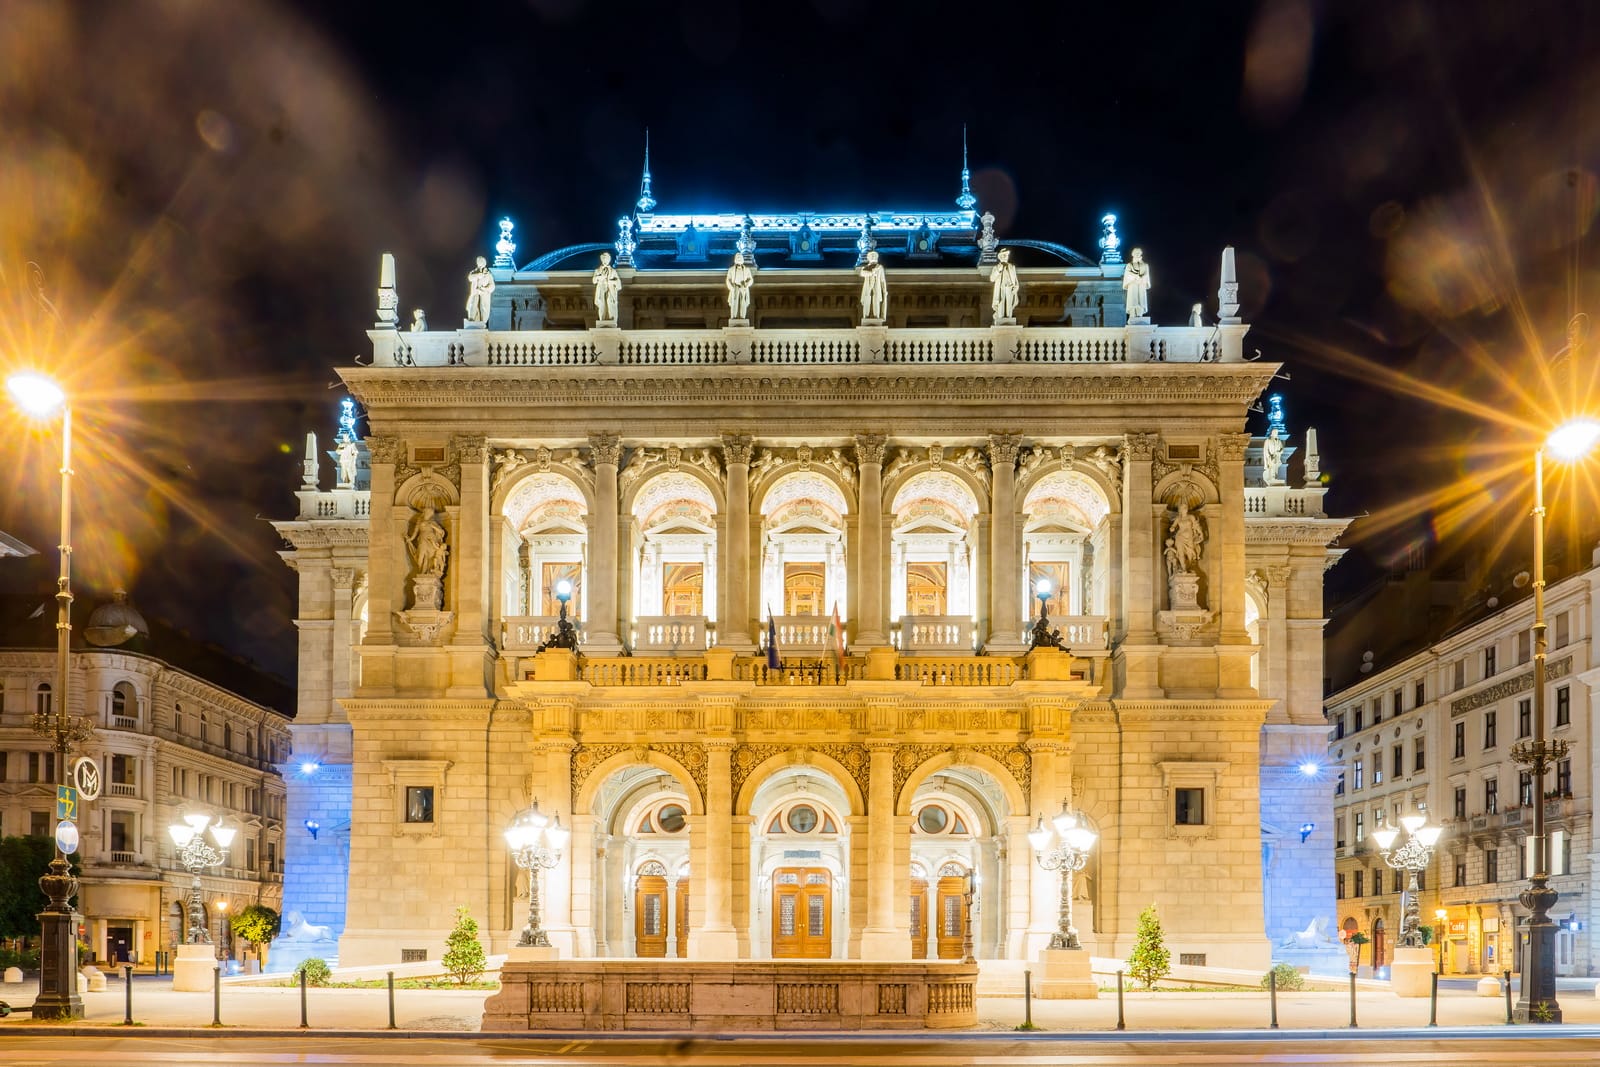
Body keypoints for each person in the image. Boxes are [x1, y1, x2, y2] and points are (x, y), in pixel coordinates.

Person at [407, 505, 448, 577]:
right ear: (425, 513)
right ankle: (421, 571)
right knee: (420, 557)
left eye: (430, 513)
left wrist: (433, 526)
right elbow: (415, 532)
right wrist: (410, 539)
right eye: (428, 513)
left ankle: (428, 572)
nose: (428, 514)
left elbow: (441, 532)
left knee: (431, 557)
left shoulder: (433, 522)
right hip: (422, 539)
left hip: (431, 539)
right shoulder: (419, 521)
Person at [1168, 500, 1204, 576]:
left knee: (1190, 552)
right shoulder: (1178, 518)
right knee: (1180, 552)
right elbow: (1173, 526)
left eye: (1186, 507)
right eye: (1183, 507)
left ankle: (1188, 568)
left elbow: (1196, 525)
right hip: (1180, 537)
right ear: (1180, 510)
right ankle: (1183, 568)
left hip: (1190, 537)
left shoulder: (1191, 517)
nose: (1185, 508)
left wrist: (1201, 533)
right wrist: (1172, 528)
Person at [1122, 246, 1152, 320]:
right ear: (1133, 254)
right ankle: (1133, 314)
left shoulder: (1145, 265)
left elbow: (1146, 275)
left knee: (1141, 300)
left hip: (1141, 284)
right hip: (1132, 284)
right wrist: (1135, 277)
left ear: (1141, 254)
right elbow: (1127, 274)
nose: (1137, 254)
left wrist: (1142, 279)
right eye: (1136, 252)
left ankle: (1140, 314)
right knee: (1133, 300)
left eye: (1139, 252)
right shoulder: (1129, 265)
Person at [991, 247, 1019, 320]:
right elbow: (992, 278)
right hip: (1001, 288)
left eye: (1006, 255)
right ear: (1000, 257)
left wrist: (1016, 287)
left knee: (1009, 304)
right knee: (1001, 303)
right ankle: (1000, 318)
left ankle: (1009, 318)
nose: (1005, 256)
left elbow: (1015, 279)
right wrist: (998, 270)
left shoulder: (1012, 267)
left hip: (1009, 288)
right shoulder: (996, 267)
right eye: (1003, 255)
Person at [593, 251, 622, 322]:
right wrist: (600, 277)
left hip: (610, 290)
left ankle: (611, 319)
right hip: (601, 289)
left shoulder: (613, 271)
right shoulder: (597, 270)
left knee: (610, 303)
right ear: (601, 259)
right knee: (602, 304)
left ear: (609, 260)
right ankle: (602, 319)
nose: (605, 260)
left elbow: (619, 284)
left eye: (606, 259)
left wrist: (611, 281)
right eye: (603, 258)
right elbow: (594, 281)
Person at [859, 249, 887, 321]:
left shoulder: (880, 268)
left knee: (876, 299)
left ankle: (876, 316)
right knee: (867, 299)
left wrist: (884, 290)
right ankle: (866, 316)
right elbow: (862, 273)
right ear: (868, 258)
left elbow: (882, 280)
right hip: (868, 287)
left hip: (876, 286)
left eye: (874, 255)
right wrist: (872, 273)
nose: (873, 256)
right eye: (871, 255)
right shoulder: (865, 267)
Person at [726, 252, 754, 321]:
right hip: (735, 288)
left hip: (743, 288)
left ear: (742, 259)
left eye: (740, 257)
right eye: (737, 257)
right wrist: (731, 287)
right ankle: (734, 317)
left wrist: (746, 284)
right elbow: (728, 279)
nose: (739, 259)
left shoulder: (746, 269)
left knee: (743, 303)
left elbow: (751, 279)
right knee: (734, 303)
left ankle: (742, 317)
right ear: (735, 259)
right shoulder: (731, 269)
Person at [465, 256, 494, 323]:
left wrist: (485, 288)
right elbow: (470, 278)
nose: (479, 263)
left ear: (484, 263)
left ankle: (482, 322)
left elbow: (492, 286)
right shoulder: (474, 272)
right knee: (473, 305)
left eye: (481, 261)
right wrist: (478, 275)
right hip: (475, 292)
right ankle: (471, 320)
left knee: (484, 308)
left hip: (483, 293)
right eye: (478, 261)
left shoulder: (488, 274)